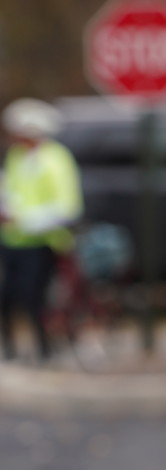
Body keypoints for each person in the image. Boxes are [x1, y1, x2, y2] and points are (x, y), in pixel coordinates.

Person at [1, 98, 83, 362]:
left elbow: (67, 207)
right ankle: (11, 350)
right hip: (12, 240)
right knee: (7, 296)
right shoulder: (16, 156)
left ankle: (44, 349)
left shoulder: (55, 159)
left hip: (44, 241)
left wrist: (26, 220)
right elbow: (12, 190)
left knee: (34, 296)